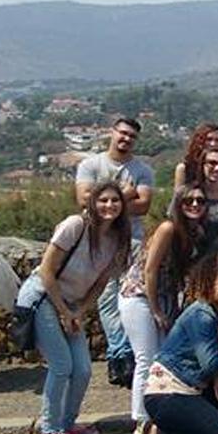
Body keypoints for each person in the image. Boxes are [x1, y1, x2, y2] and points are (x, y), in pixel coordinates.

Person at [17, 181, 131, 434]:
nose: (109, 206)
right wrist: (64, 312)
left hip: (72, 305)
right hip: (43, 297)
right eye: (103, 200)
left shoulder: (116, 238)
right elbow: (46, 271)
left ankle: (67, 423)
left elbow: (101, 282)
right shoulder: (75, 226)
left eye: (115, 201)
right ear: (92, 202)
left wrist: (79, 311)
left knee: (82, 369)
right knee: (61, 365)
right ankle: (50, 429)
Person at [136, 257, 218, 434]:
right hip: (168, 395)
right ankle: (161, 433)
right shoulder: (202, 316)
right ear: (209, 284)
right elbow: (211, 364)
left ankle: (171, 431)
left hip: (191, 391)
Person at [118, 185, 208, 430]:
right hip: (139, 296)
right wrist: (156, 309)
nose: (195, 205)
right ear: (178, 204)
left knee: (163, 360)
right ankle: (142, 420)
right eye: (189, 200)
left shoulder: (194, 231)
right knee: (146, 358)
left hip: (165, 299)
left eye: (200, 200)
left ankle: (159, 418)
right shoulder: (168, 228)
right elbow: (150, 269)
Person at [74, 117, 154, 388]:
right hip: (98, 242)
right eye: (123, 133)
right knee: (106, 300)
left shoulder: (142, 169)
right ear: (112, 133)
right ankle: (119, 355)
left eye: (132, 136)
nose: (126, 139)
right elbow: (83, 199)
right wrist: (125, 193)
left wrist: (107, 201)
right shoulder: (91, 164)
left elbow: (143, 206)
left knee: (130, 298)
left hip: (132, 242)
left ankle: (127, 354)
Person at [172, 122, 218, 191]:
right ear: (199, 140)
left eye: (217, 140)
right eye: (209, 139)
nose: (213, 144)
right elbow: (178, 197)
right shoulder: (184, 168)